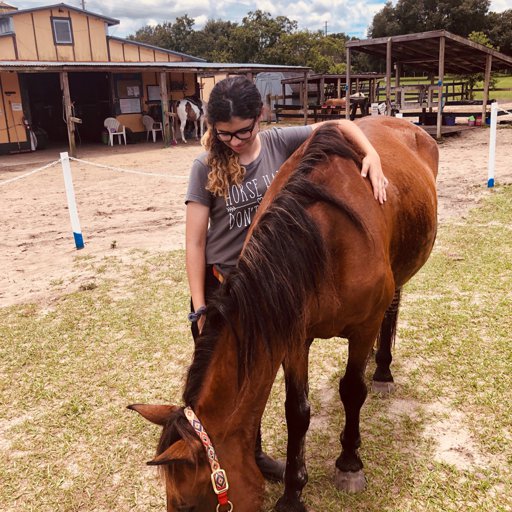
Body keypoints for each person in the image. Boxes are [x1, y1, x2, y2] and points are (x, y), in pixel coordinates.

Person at [184, 75, 388, 482]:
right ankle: (251, 454)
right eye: (224, 134)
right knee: (236, 377)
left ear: (259, 116)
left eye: (243, 131)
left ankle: (254, 454)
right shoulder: (204, 165)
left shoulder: (277, 143)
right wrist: (199, 306)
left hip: (272, 282)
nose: (236, 141)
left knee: (266, 370)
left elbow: (338, 126)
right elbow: (194, 243)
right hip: (225, 287)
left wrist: (372, 154)